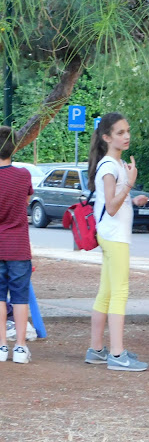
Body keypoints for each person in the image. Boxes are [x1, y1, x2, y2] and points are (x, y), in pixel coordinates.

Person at [85, 112, 149, 371]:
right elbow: (111, 207)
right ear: (106, 137)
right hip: (115, 236)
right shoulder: (109, 166)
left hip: (111, 234)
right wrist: (129, 186)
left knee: (107, 292)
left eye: (127, 131)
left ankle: (97, 350)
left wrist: (132, 199)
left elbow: (111, 202)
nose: (126, 136)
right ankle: (116, 354)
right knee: (119, 293)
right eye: (120, 132)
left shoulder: (115, 164)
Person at [0, 126, 34, 364]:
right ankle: (20, 347)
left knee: (0, 297)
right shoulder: (23, 175)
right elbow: (26, 200)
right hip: (19, 246)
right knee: (20, 297)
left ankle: (1, 345)